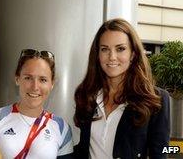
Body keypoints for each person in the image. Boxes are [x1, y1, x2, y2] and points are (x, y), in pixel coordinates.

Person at [73, 18, 170, 159]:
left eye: (120, 49)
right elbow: (83, 148)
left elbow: (161, 152)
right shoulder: (87, 95)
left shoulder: (156, 100)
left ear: (133, 54)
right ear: (97, 55)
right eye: (105, 49)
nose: (112, 57)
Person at [0, 49, 74, 159]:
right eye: (28, 78)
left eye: (43, 80)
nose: (35, 87)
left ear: (51, 84)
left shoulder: (61, 128)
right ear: (17, 79)